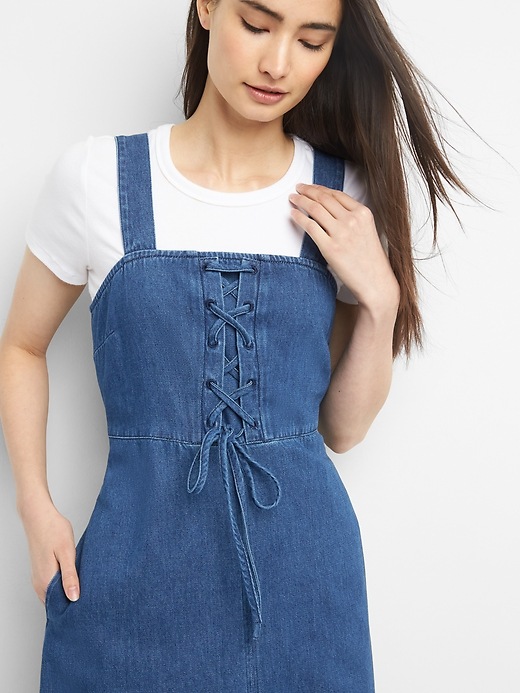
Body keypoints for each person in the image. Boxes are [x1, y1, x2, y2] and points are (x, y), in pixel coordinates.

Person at [0, 0, 472, 690]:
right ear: (207, 7)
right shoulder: (97, 179)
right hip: (133, 570)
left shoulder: (343, 195)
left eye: (311, 41)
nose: (278, 63)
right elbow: (21, 345)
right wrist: (35, 506)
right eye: (257, 25)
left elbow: (342, 430)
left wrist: (381, 299)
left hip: (303, 583)